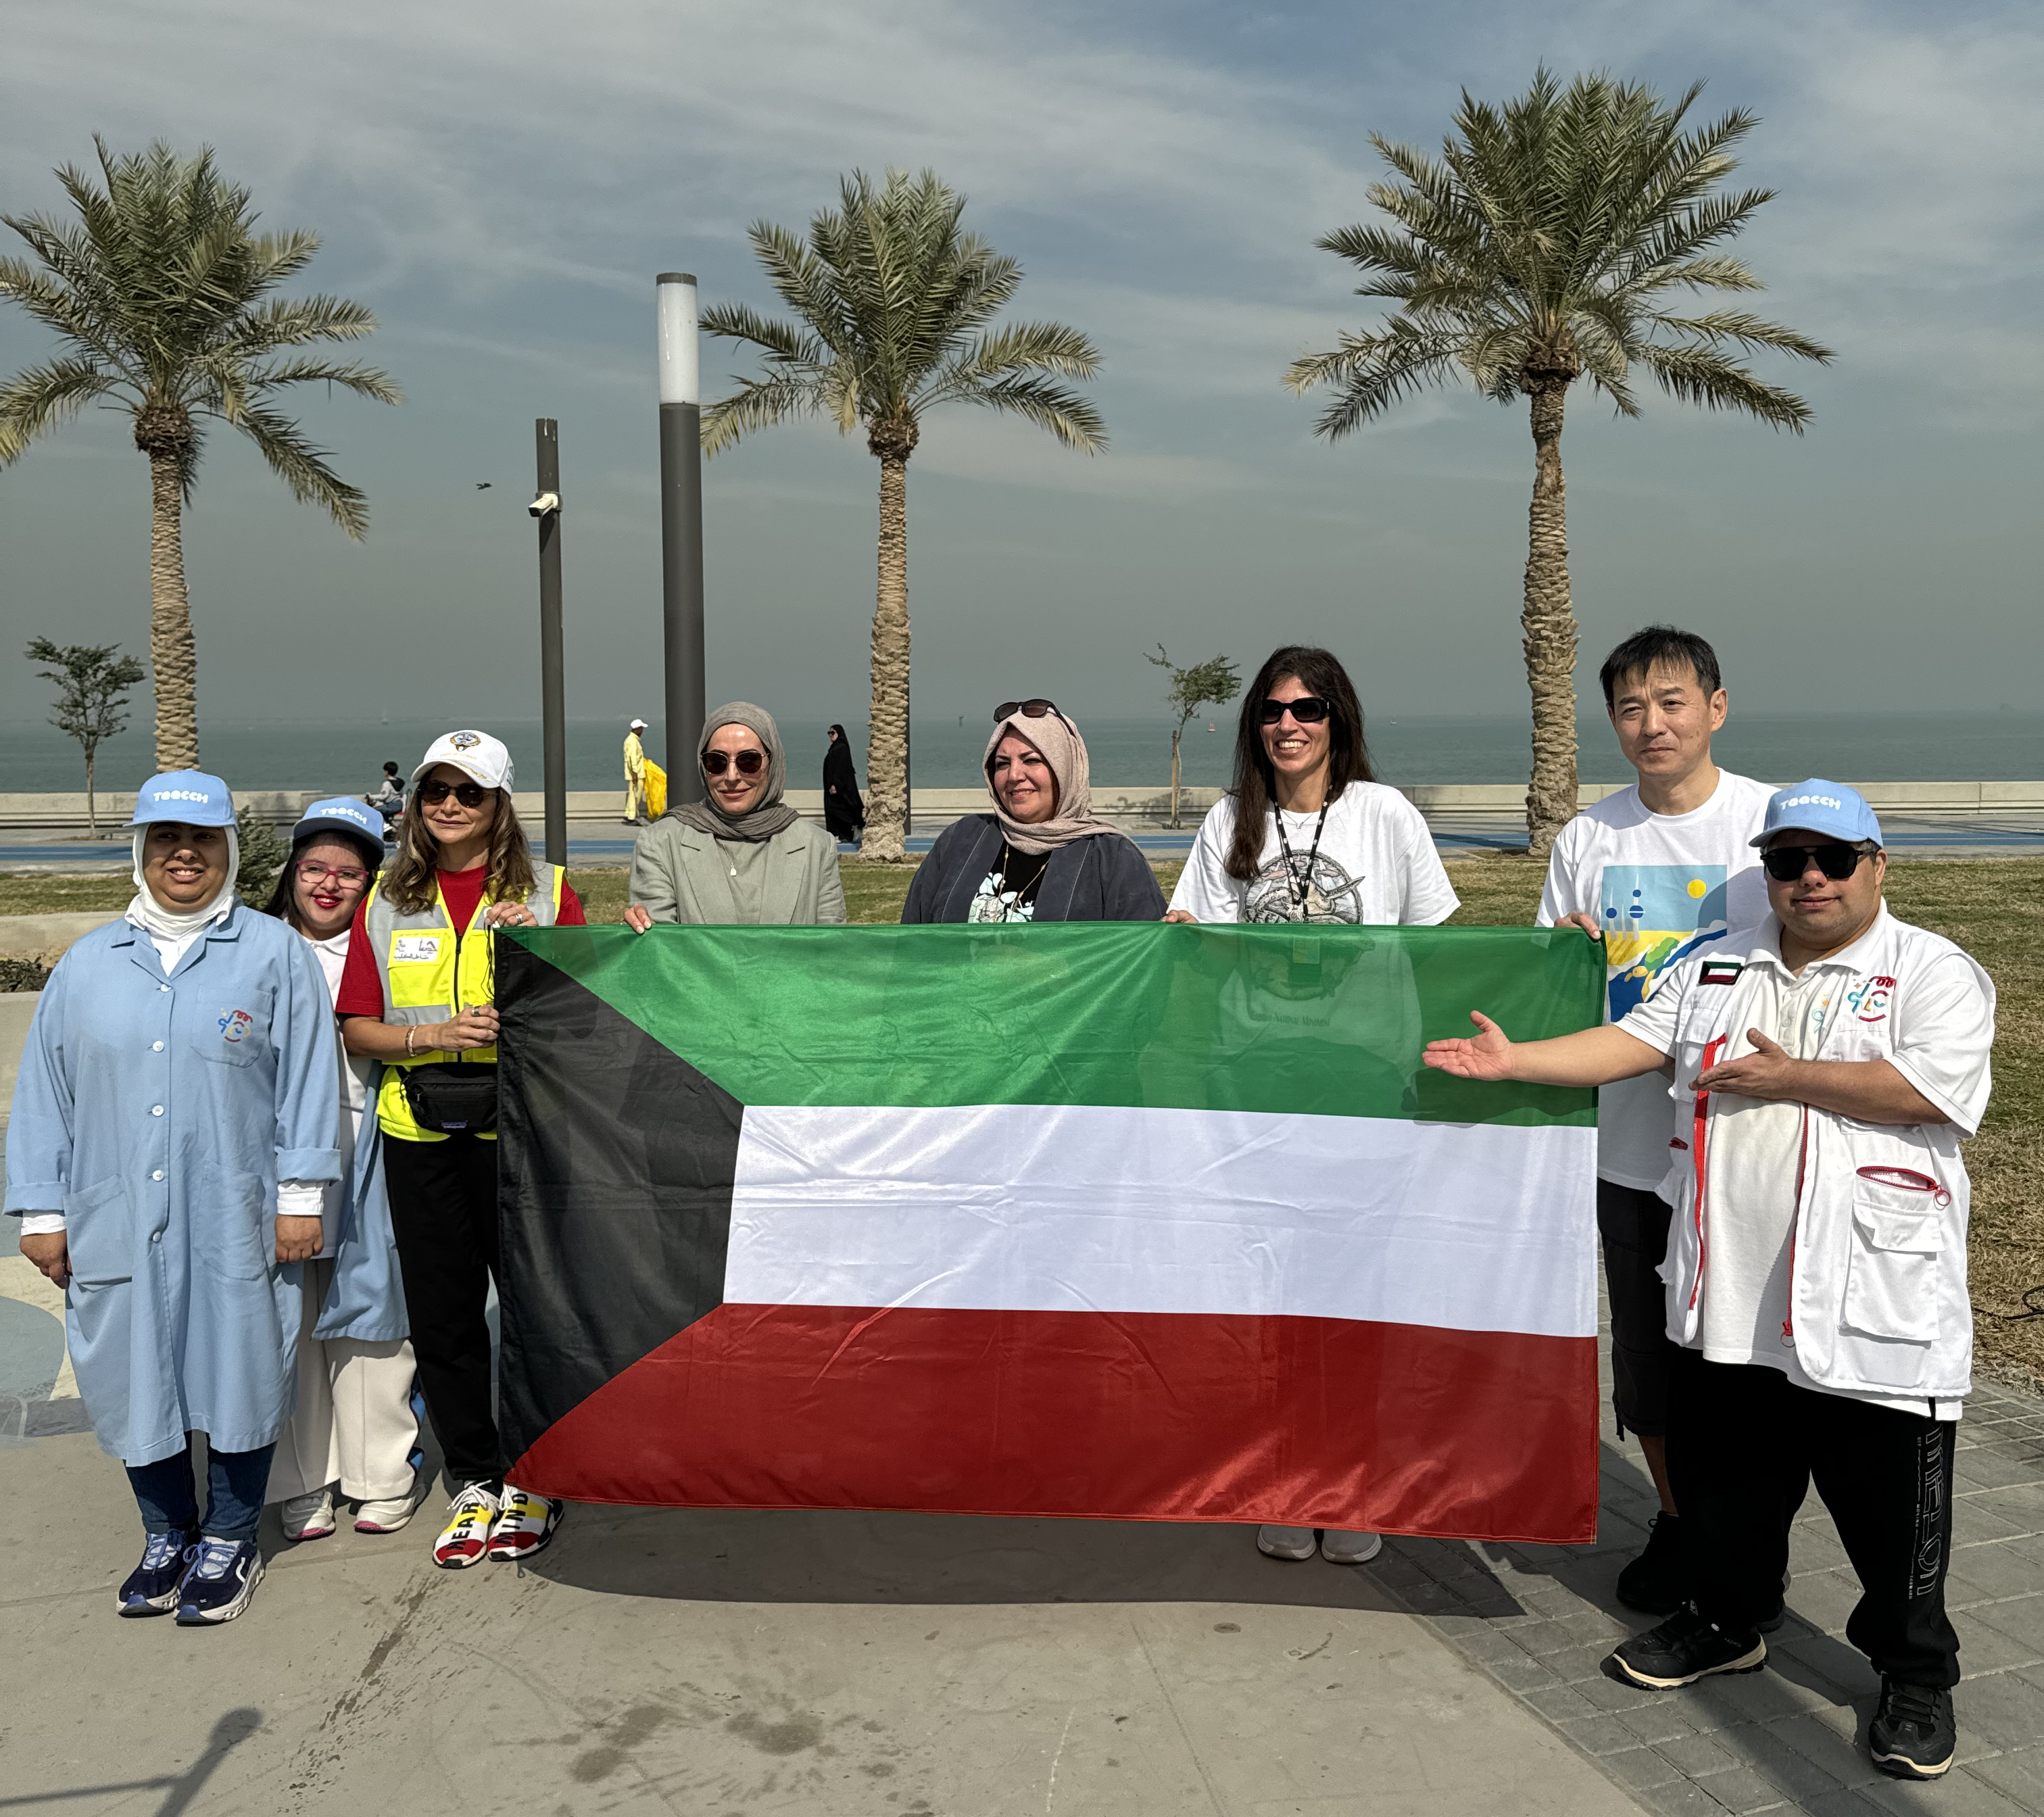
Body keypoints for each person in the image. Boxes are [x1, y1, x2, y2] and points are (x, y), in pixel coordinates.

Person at [1425, 781, 1993, 1783]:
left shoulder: (1931, 972)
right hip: (1731, 1296)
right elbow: (1636, 1044)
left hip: (1869, 1309)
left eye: (1833, 858)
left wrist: (1794, 1076)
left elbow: (1932, 1090)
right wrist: (1518, 1061)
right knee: (1730, 1491)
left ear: (1877, 865)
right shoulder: (1715, 964)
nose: (1809, 879)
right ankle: (1728, 1620)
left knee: (1890, 1511)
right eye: (1787, 861)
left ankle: (1913, 1676)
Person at [7, 773, 341, 1625]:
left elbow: (306, 1080)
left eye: (201, 841)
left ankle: (229, 1539)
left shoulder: (273, 954)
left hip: (235, 1210)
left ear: (228, 851)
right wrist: (44, 1212)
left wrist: (301, 1195)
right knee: (131, 1374)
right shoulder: (88, 966)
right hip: (116, 1215)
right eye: (164, 840)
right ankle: (166, 1533)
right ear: (140, 851)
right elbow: (47, 1097)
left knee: (240, 1368)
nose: (182, 856)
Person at [1165, 646, 1457, 1568]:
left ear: (1340, 720)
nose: (1290, 725)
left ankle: (1357, 1482)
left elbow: (1444, 948)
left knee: (1359, 1292)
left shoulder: (1387, 816)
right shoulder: (1226, 822)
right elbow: (1200, 941)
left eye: (1311, 708)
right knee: (1279, 1295)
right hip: (1261, 1089)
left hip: (1366, 1086)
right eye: (1273, 711)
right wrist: (1177, 944)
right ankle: (1291, 1479)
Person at [1537, 626, 1774, 1614]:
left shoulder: (1770, 822)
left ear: (1716, 708)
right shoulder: (1590, 840)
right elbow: (1555, 986)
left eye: (1672, 702)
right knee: (1647, 1360)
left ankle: (1749, 1542)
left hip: (1751, 1148)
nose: (1652, 724)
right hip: (1632, 1150)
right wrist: (1566, 953)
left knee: (1746, 1360)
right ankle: (1677, 1521)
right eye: (1631, 707)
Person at [336, 730, 587, 1568]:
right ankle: (477, 1476)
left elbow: (585, 1019)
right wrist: (432, 1035)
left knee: (532, 1310)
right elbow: (360, 1027)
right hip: (419, 1132)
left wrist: (536, 956)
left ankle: (536, 1473)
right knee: (444, 1317)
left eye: (468, 792)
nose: (447, 804)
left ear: (499, 804)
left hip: (519, 1134)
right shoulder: (385, 897)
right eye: (436, 789)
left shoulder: (549, 893)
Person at [260, 796, 422, 1541]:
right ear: (291, 871)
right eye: (315, 868)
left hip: (369, 1146)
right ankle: (303, 1483)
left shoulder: (384, 940)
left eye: (349, 873)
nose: (328, 884)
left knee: (372, 1315)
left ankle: (381, 1474)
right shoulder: (251, 945)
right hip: (271, 1161)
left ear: (371, 882)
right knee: (286, 1319)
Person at [901, 700, 1163, 922]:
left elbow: (1145, 958)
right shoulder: (962, 839)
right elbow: (912, 939)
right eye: (1002, 764)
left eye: (1032, 760)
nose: (1014, 775)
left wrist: (1183, 936)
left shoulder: (1111, 858)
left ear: (1065, 769)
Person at [625, 702, 846, 929]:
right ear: (703, 766)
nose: (731, 776)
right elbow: (661, 949)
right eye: (716, 762)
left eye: (749, 761)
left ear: (773, 763)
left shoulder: (816, 846)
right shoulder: (660, 843)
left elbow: (831, 951)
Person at [823, 723, 866, 847]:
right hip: (834, 788)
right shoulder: (836, 748)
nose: (830, 736)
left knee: (839, 810)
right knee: (836, 810)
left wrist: (835, 785)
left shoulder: (841, 748)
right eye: (829, 733)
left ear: (839, 734)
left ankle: (854, 827)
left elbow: (840, 769)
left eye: (833, 733)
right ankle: (845, 833)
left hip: (839, 789)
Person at [623, 717, 650, 825]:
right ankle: (631, 816)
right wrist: (635, 774)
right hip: (637, 774)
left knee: (632, 795)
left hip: (635, 773)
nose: (642, 731)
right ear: (637, 729)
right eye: (641, 729)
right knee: (636, 795)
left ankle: (629, 814)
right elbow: (633, 759)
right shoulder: (633, 742)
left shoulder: (630, 740)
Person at [366, 761, 404, 830]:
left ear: (386, 772)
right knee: (383, 810)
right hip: (399, 805)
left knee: (374, 811)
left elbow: (384, 796)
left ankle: (385, 825)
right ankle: (389, 825)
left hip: (391, 806)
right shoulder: (399, 782)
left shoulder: (387, 783)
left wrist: (371, 797)